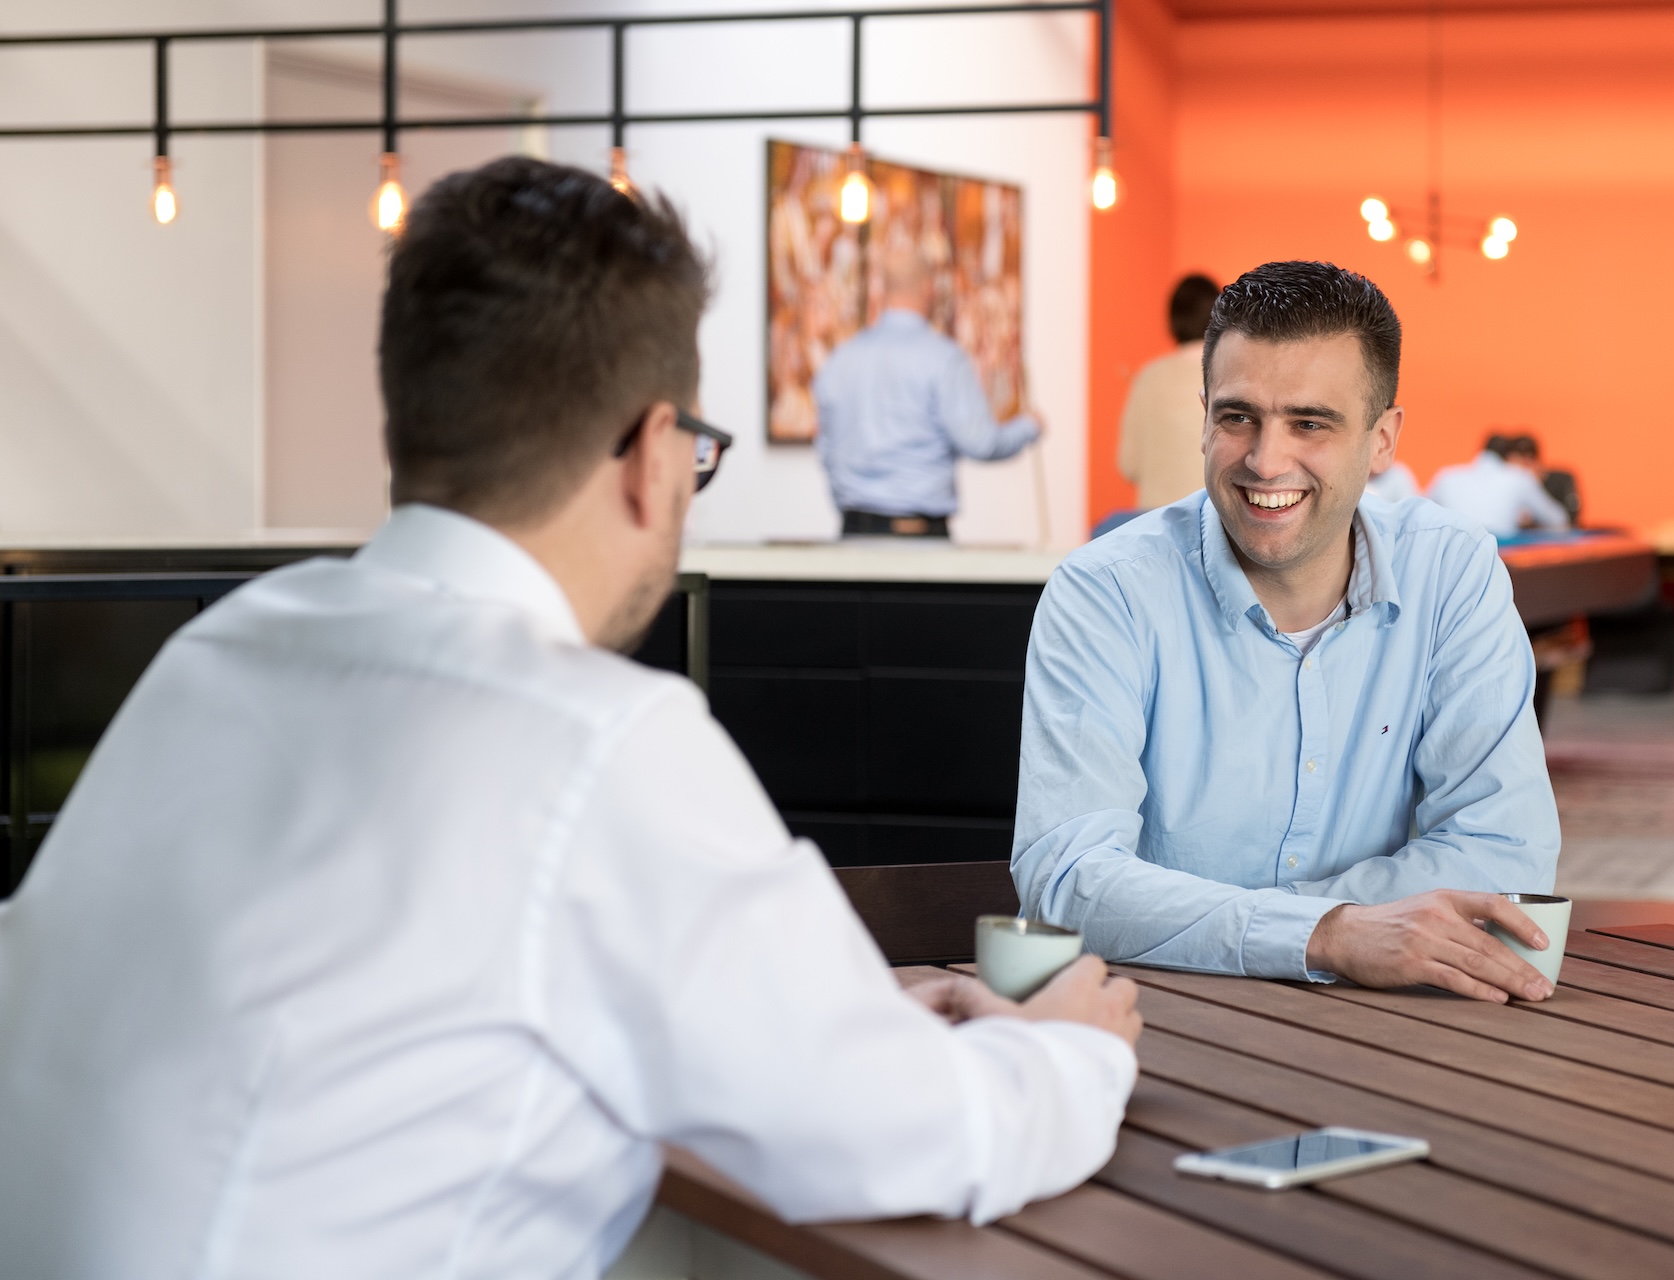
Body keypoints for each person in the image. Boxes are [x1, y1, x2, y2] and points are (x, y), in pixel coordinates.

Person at [0, 158, 1140, 1277]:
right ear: (653, 455)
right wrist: (1068, 1053)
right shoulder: (597, 734)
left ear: (404, 429)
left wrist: (812, 1011)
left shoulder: (223, 649)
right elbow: (914, 1139)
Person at [1014, 260, 1560, 1005]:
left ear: (1382, 440)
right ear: (1204, 418)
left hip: (1386, 1029)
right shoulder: (1104, 592)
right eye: (1237, 417)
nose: (1265, 461)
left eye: (1309, 423)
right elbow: (1067, 880)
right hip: (1153, 1023)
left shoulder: (1452, 571)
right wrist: (1327, 934)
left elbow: (1505, 856)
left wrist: (1212, 922)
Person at [813, 240, 1041, 538]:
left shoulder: (841, 359)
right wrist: (1029, 427)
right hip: (920, 540)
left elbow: (826, 447)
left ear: (884, 289)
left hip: (854, 531)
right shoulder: (944, 359)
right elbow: (981, 443)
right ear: (928, 288)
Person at [1116, 273, 1219, 511]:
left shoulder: (1148, 378)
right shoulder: (1229, 374)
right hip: (1212, 518)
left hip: (1156, 520)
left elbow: (1128, 464)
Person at [1425, 432, 1570, 537]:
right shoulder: (1519, 477)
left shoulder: (1446, 475)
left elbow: (1421, 513)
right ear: (1509, 458)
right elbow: (1558, 519)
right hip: (1501, 552)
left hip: (1452, 551)